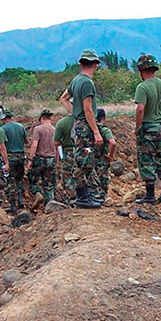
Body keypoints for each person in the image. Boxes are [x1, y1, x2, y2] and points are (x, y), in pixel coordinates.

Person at [58, 49, 104, 209]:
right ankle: (83, 197)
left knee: (82, 159)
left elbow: (63, 98)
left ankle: (84, 195)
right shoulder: (86, 82)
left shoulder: (76, 80)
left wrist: (74, 113)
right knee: (84, 161)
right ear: (95, 64)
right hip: (85, 127)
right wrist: (96, 131)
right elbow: (88, 109)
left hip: (78, 124)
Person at [134, 54, 161, 205]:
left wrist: (138, 126)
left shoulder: (142, 87)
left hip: (148, 129)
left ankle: (149, 195)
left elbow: (140, 109)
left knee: (147, 161)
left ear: (141, 70)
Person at [27, 109, 58, 206]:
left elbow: (34, 145)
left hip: (40, 159)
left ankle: (37, 193)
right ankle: (50, 205)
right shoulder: (55, 130)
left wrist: (30, 159)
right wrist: (56, 162)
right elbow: (57, 147)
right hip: (51, 159)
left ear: (42, 118)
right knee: (49, 184)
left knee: (32, 178)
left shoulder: (38, 129)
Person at [1, 109, 29, 213]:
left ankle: (13, 205)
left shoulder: (3, 129)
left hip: (10, 156)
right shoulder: (20, 126)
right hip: (21, 156)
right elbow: (26, 141)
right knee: (19, 179)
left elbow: (2, 145)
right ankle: (21, 199)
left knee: (10, 181)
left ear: (4, 118)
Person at [93, 108, 116, 203]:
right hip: (102, 158)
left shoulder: (90, 129)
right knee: (102, 179)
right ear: (104, 118)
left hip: (90, 158)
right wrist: (110, 156)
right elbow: (113, 143)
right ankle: (102, 199)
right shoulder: (104, 130)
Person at [53, 113, 75, 201]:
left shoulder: (62, 123)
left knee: (68, 175)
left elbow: (56, 142)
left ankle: (72, 198)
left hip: (68, 153)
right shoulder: (86, 120)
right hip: (84, 152)